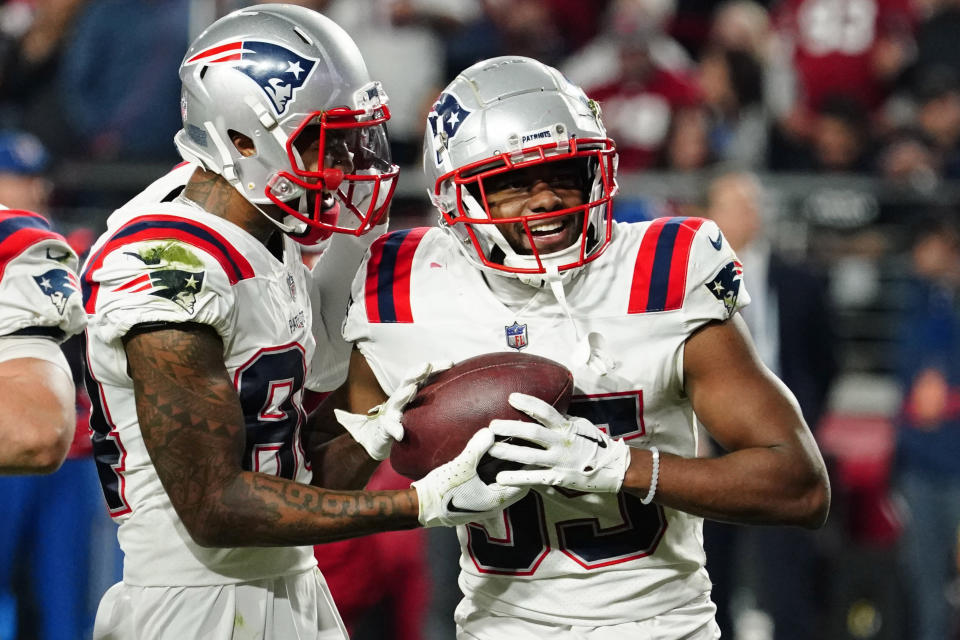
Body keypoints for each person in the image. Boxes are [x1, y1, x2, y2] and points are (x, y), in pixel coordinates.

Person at [335, 55, 831, 638]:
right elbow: (323, 481)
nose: (545, 199)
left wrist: (619, 465)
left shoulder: (662, 271)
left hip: (660, 626)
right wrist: (376, 446)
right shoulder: (405, 286)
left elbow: (800, 486)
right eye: (513, 181)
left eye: (565, 172)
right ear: (455, 198)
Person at [81, 6, 525, 640]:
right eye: (326, 141)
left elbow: (290, 461)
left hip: (291, 582)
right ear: (239, 138)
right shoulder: (163, 263)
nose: (346, 164)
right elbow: (215, 506)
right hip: (192, 604)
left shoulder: (266, 226)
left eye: (353, 137)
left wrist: (376, 429)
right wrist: (418, 504)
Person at [0, 132, 83, 475]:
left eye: (36, 179)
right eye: (19, 179)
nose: (35, 190)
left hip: (69, 433)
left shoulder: (23, 244)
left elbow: (35, 435)